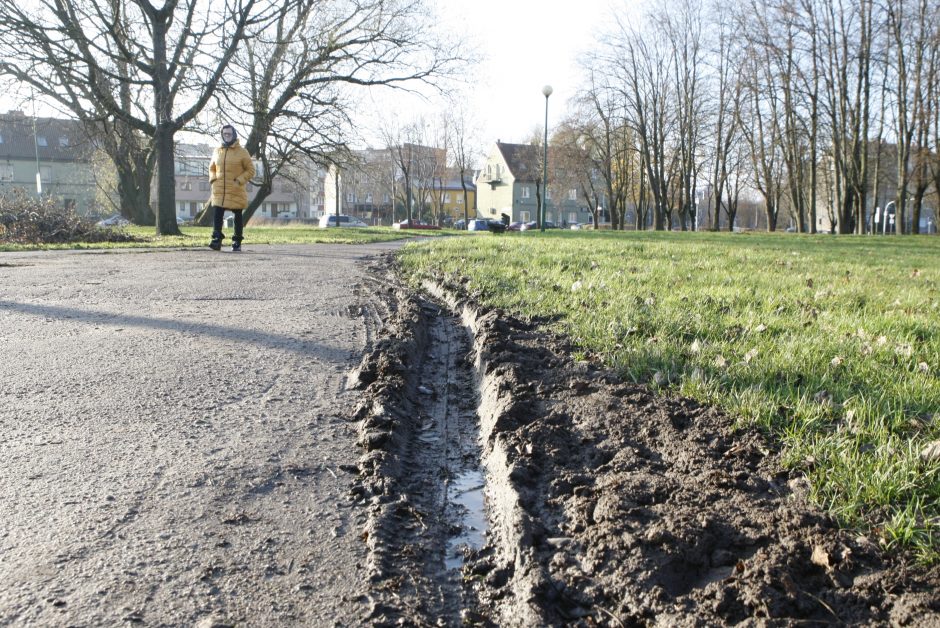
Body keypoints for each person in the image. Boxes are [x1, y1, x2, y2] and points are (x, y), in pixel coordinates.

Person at [208, 124, 255, 251]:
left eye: (229, 134)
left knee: (237, 215)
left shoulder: (242, 152)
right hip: (219, 190)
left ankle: (237, 241)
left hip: (235, 189)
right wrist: (213, 178)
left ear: (234, 134)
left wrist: (239, 180)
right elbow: (212, 167)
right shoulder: (217, 150)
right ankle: (216, 239)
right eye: (225, 134)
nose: (227, 136)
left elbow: (251, 170)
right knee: (217, 213)